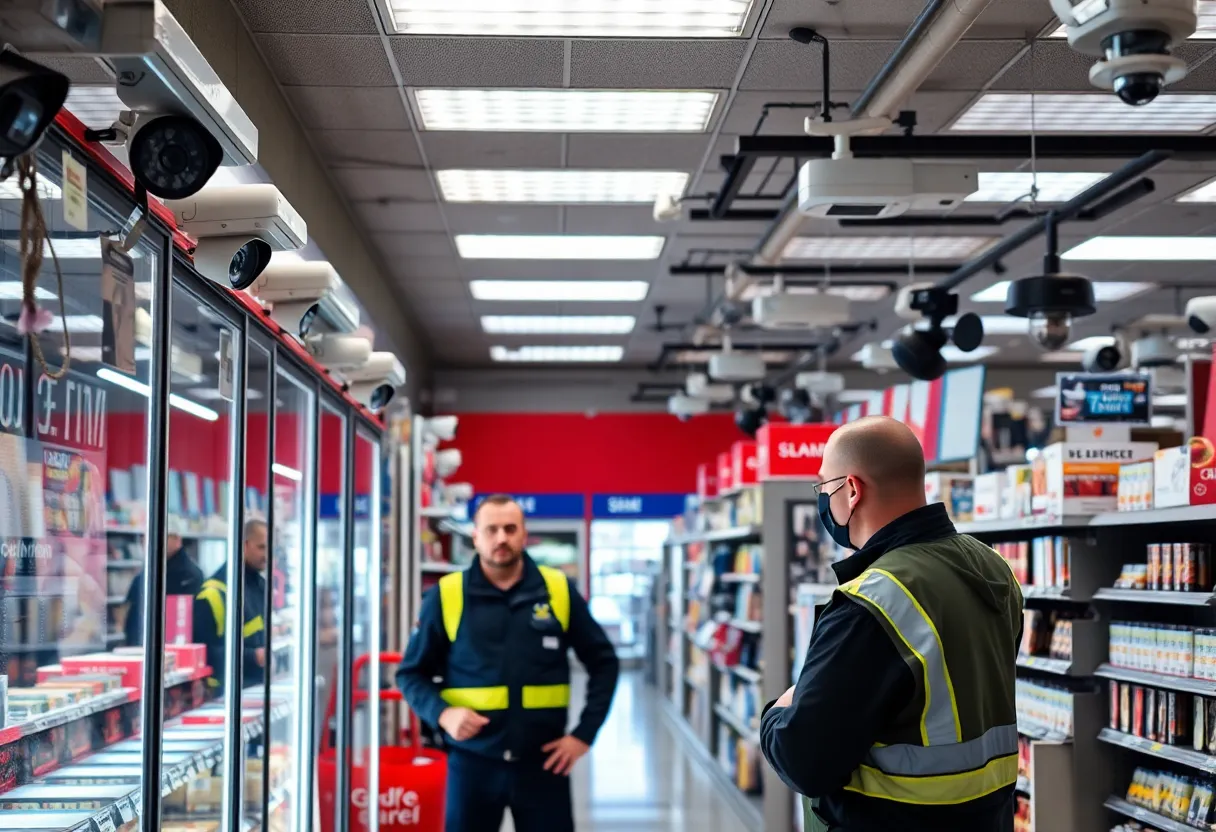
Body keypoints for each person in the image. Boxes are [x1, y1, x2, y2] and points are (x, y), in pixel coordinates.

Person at [760, 416, 1022, 832]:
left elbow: (805, 761)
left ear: (851, 489)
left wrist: (778, 711)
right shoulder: (992, 568)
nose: (824, 499)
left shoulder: (873, 601)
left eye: (824, 487)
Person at [397, 495, 619, 832]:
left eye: (510, 529)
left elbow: (604, 662)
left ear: (524, 534)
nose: (501, 538)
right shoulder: (446, 595)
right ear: (476, 537)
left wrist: (584, 735)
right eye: (491, 530)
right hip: (472, 765)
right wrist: (443, 713)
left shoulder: (557, 590)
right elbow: (411, 674)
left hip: (545, 766)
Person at [194, 519, 269, 695]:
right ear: (244, 545)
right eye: (261, 547)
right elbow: (203, 653)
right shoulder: (212, 593)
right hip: (224, 693)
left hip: (255, 688)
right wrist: (253, 657)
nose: (267, 554)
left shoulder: (260, 586)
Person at [124, 517, 203, 647]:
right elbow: (129, 605)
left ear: (177, 540)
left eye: (159, 535)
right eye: (146, 537)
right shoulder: (149, 570)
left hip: (170, 647)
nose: (148, 542)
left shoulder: (190, 575)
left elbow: (189, 620)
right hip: (139, 644)